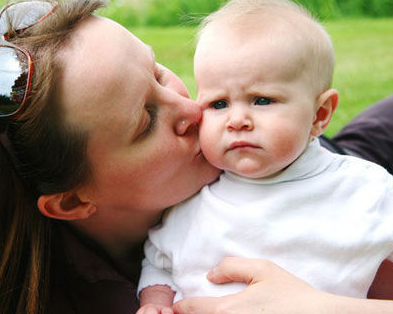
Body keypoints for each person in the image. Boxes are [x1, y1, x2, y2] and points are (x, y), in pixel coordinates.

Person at [0, 1, 392, 314]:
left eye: (158, 73)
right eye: (146, 122)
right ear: (73, 201)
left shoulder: (340, 181)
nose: (194, 110)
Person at [137, 0, 393, 313]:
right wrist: (155, 303)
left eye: (261, 100)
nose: (237, 120)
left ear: (320, 114)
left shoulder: (367, 192)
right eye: (218, 104)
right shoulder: (190, 204)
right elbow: (159, 265)